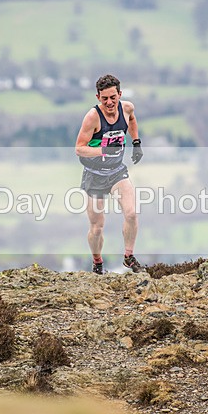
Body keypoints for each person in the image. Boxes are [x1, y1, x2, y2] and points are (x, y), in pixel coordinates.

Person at [75, 74, 144, 274]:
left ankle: (129, 257)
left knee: (131, 213)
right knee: (97, 227)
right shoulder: (92, 117)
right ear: (98, 97)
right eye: (104, 98)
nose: (109, 102)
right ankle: (97, 262)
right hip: (94, 175)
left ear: (119, 94)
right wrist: (103, 151)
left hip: (116, 172)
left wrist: (136, 142)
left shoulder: (127, 108)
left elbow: (131, 120)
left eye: (113, 97)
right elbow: (79, 148)